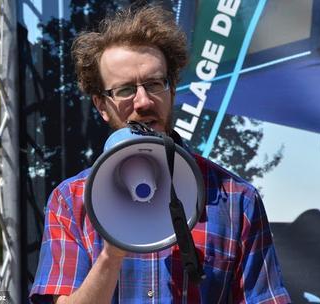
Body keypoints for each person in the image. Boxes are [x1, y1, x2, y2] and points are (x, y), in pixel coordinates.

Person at [30, 4, 291, 304]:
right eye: (125, 90)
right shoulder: (71, 200)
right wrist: (111, 255)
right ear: (101, 105)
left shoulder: (236, 199)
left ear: (172, 89)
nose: (143, 102)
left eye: (154, 84)